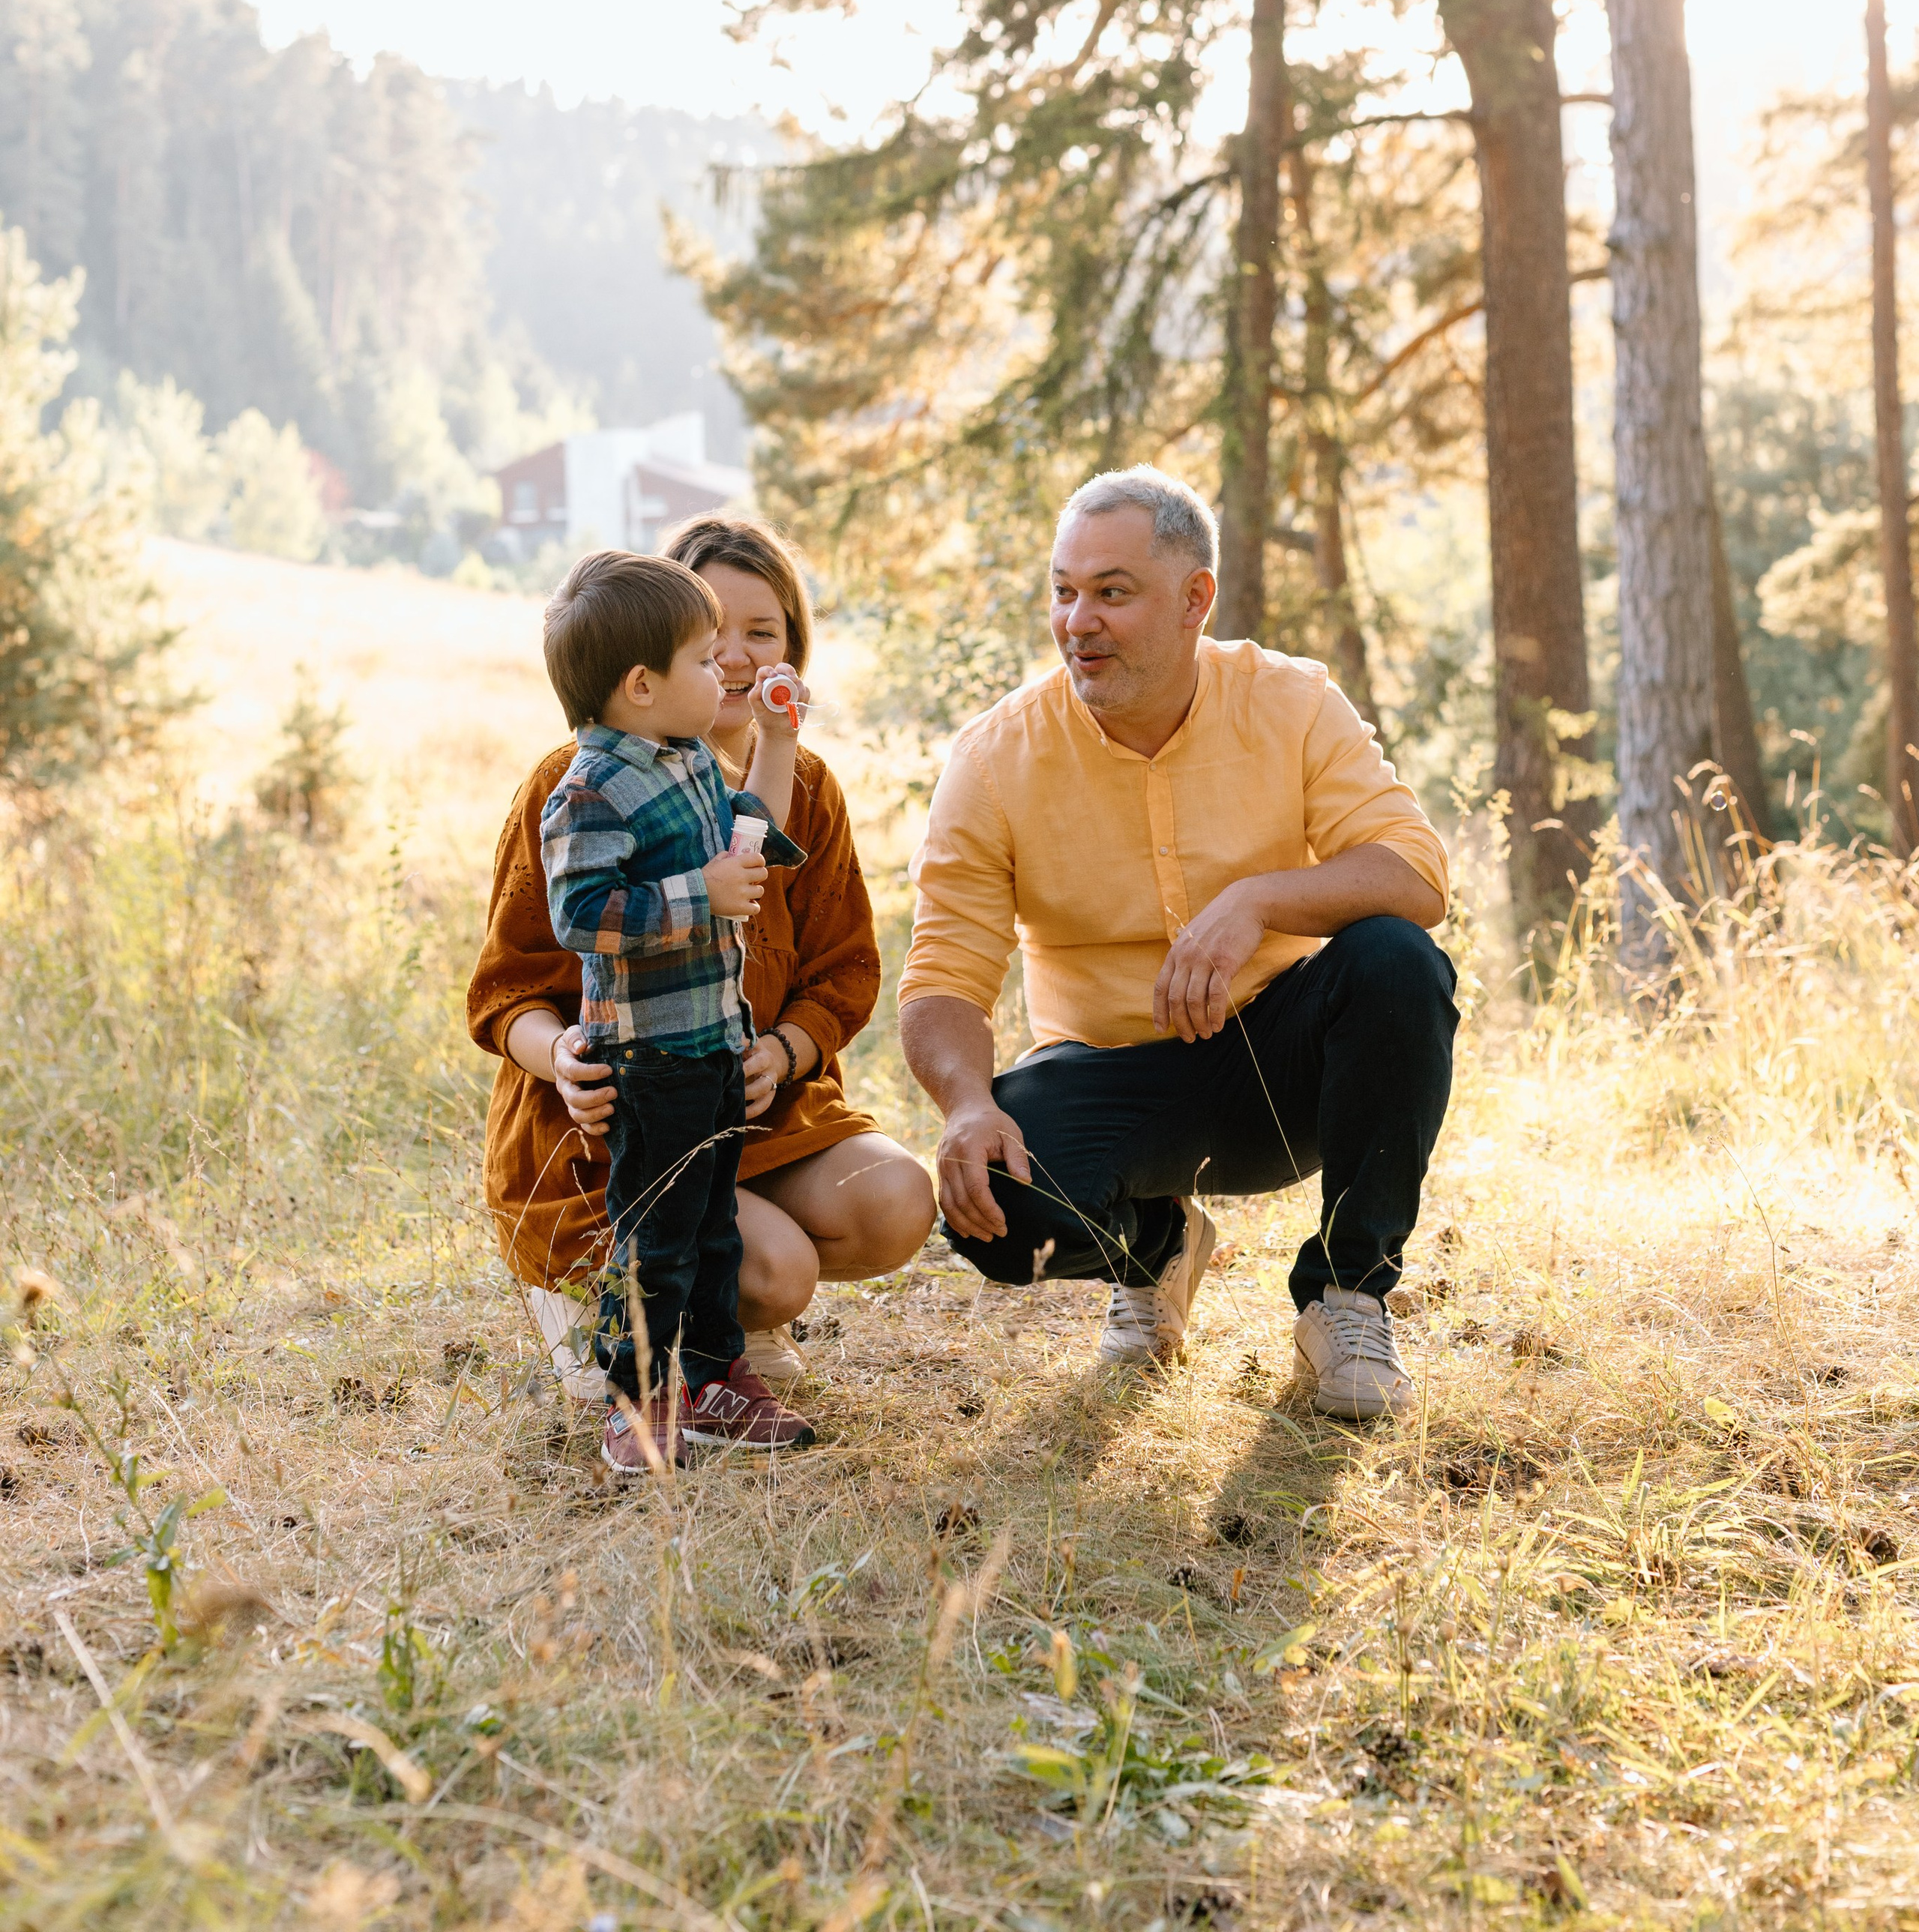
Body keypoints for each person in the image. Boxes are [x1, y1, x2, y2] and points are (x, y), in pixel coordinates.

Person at [897, 465, 1456, 1419]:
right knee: (992, 1204)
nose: (1079, 620)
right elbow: (944, 970)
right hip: (1111, 1077)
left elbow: (1416, 876)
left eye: (1112, 593)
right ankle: (1155, 1249)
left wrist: (1260, 899)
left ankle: (1347, 1296)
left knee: (1397, 962)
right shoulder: (994, 758)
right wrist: (960, 1102)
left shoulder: (1292, 701)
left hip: (1283, 1073)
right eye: (1063, 591)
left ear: (1195, 598)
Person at [468, 515, 935, 1414]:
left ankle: (715, 1317)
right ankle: (607, 1312)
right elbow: (507, 987)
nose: (732, 657)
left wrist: (788, 1052)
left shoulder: (807, 786)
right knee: (774, 1266)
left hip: (745, 1102)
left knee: (895, 1203)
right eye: (709, 634)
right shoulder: (574, 785)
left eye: (762, 634)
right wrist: (559, 1059)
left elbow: (843, 969)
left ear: (793, 650)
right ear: (648, 657)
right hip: (616, 1120)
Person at [538, 547, 818, 1472]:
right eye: (705, 658)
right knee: (652, 1233)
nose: (726, 669)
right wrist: (698, 892)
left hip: (710, 1042)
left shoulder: (690, 760)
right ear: (642, 684)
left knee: (710, 1228)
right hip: (647, 1055)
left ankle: (712, 1376)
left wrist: (776, 742)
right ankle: (636, 1398)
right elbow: (582, 916)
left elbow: (756, 839)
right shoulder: (587, 791)